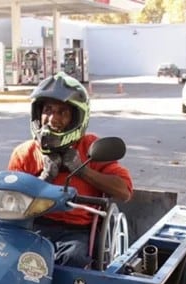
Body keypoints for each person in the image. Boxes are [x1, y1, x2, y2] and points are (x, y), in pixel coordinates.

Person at [8, 72, 133, 268]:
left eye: (62, 112)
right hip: (33, 224)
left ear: (77, 118)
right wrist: (44, 178)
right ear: (38, 113)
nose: (52, 119)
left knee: (71, 261)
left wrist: (83, 170)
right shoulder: (25, 153)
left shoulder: (92, 147)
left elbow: (124, 191)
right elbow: (10, 201)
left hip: (77, 230)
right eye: (48, 110)